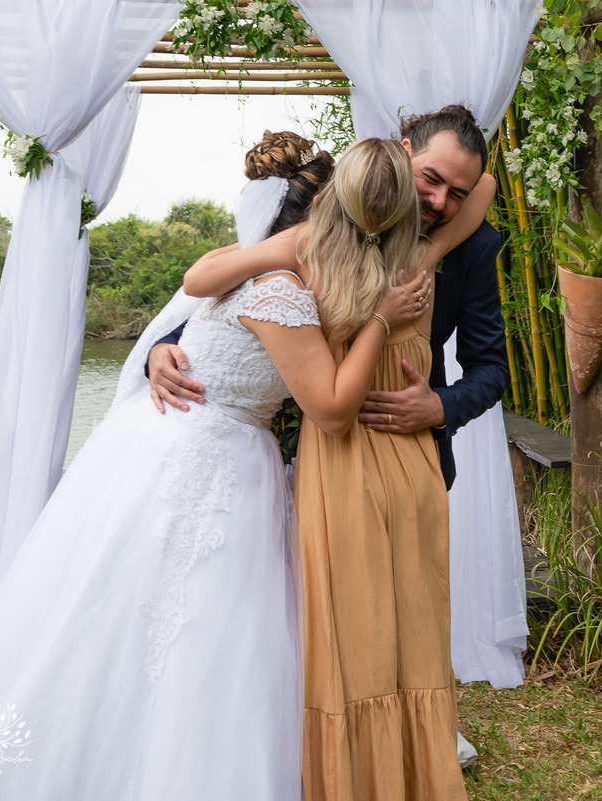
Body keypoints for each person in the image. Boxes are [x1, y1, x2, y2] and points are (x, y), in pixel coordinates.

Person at [0, 134, 431, 801]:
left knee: (148, 623)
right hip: (211, 462)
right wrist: (379, 318)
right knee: (175, 630)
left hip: (167, 446)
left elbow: (201, 283)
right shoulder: (282, 285)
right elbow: (328, 408)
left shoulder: (272, 270)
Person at [149, 105, 514, 767]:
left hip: (408, 448)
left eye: (456, 193)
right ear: (400, 154)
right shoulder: (337, 208)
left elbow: (493, 368)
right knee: (305, 616)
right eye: (430, 179)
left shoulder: (461, 243)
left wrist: (438, 405)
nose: (441, 200)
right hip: (308, 449)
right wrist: (169, 347)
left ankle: (413, 734)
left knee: (408, 616)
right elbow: (237, 289)